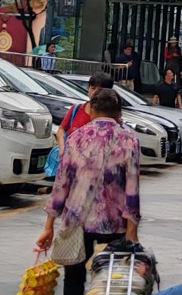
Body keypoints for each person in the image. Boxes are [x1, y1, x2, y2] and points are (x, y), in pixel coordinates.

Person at [35, 89, 141, 295]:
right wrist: (132, 229)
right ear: (119, 113)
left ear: (91, 110)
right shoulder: (129, 139)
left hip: (77, 221)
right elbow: (132, 188)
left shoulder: (76, 137)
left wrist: (48, 226)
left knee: (73, 280)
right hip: (114, 223)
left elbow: (61, 183)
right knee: (110, 284)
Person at [55, 72, 114, 155]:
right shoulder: (76, 109)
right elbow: (61, 129)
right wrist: (62, 147)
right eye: (93, 88)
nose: (95, 93)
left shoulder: (112, 116)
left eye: (100, 90)